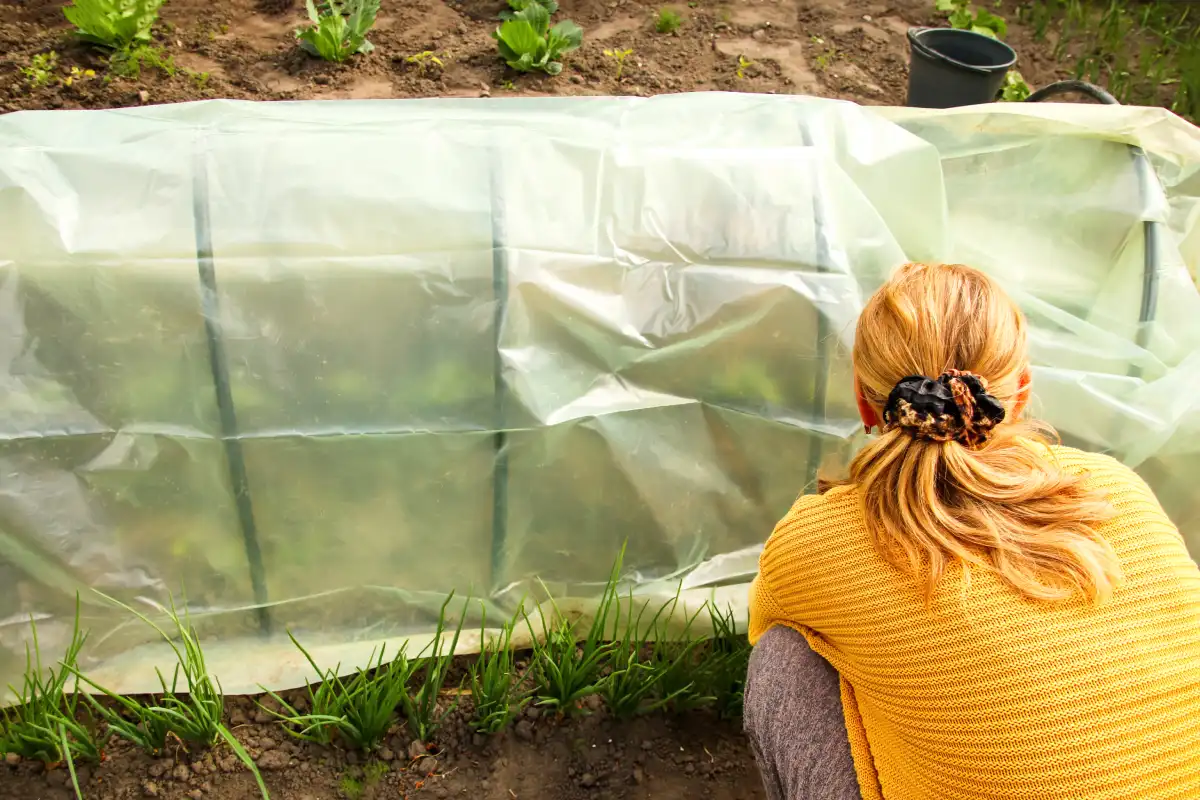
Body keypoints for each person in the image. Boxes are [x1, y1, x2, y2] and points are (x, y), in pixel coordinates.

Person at [744, 262, 1200, 800]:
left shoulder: (820, 539)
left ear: (865, 400)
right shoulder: (1113, 489)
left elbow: (762, 621)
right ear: (1022, 392)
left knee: (783, 658)